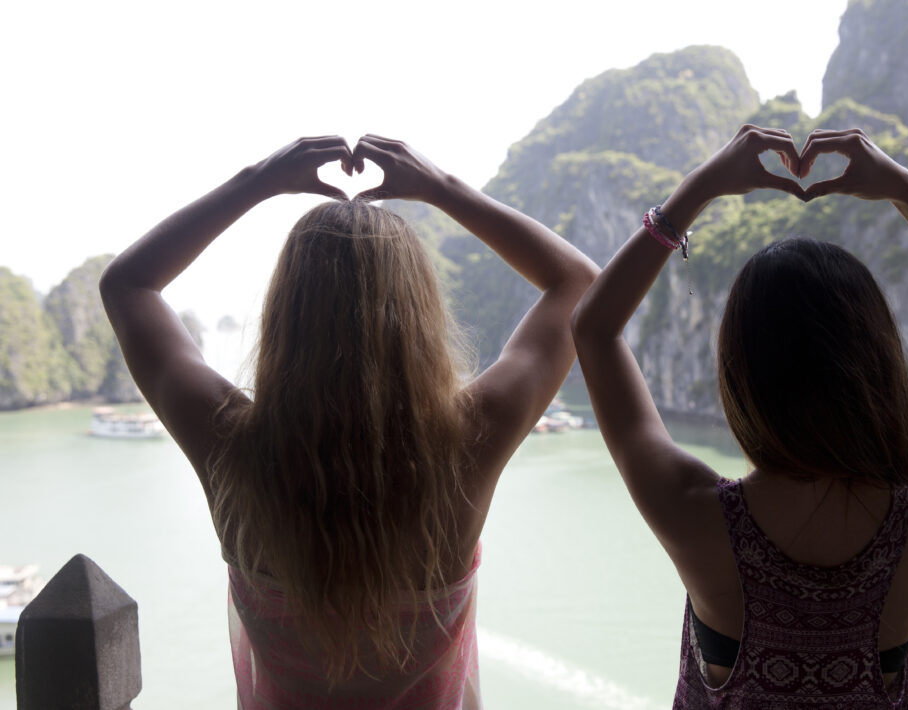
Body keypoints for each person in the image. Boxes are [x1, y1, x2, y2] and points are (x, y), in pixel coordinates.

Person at [100, 135, 599, 708]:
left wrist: (258, 180)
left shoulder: (231, 448)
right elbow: (579, 284)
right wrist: (442, 188)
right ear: (421, 315)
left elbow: (128, 285)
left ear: (284, 313)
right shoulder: (466, 446)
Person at [571, 125, 908, 707]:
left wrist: (699, 190)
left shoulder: (696, 515)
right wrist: (907, 192)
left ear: (741, 379)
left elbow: (593, 330)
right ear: (879, 361)